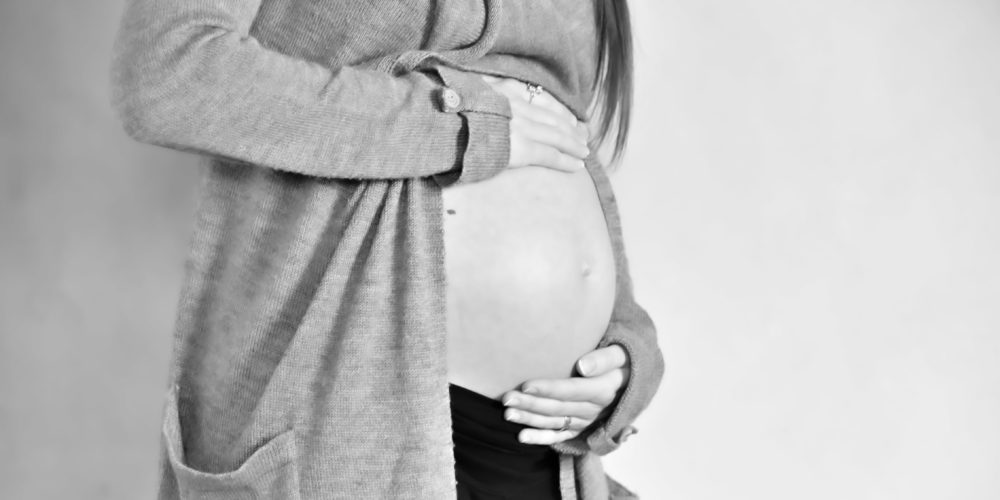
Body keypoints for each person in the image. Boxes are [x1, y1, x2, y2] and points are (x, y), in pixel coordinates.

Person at [109, 0, 664, 498]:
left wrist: (621, 345)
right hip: (349, 419)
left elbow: (563, 136)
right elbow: (169, 69)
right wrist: (457, 126)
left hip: (544, 456)